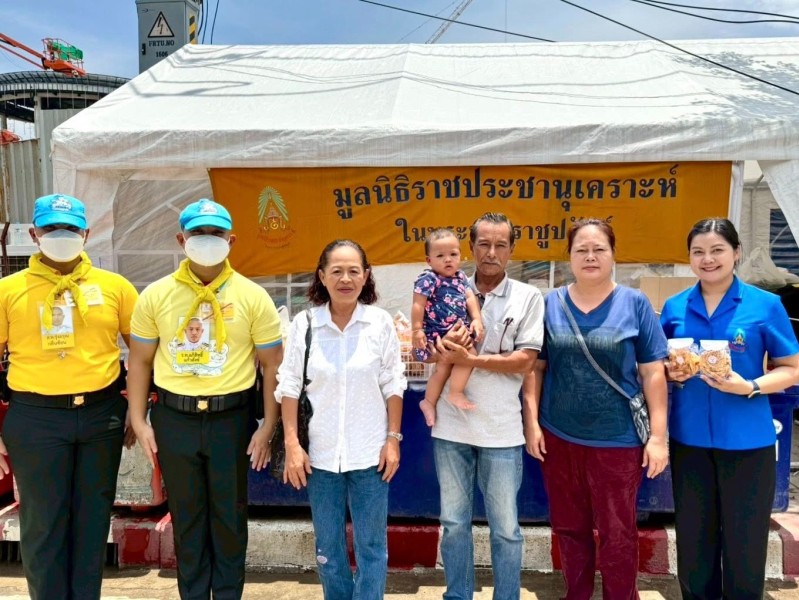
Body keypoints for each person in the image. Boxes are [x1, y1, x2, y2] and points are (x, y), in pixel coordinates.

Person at [127, 199, 283, 600]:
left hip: (231, 419)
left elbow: (272, 366)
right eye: (198, 233)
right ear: (181, 240)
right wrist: (139, 420)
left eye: (216, 233)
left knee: (230, 518)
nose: (207, 240)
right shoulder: (156, 295)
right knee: (187, 518)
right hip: (174, 419)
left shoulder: (253, 296)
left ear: (232, 240)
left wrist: (268, 425)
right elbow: (139, 360)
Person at [0, 193, 138, 599]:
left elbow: (144, 354)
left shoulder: (115, 287)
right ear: (34, 234)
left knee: (92, 522)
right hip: (35, 418)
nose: (61, 235)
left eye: (71, 228)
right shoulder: (8, 290)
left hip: (101, 416)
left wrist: (136, 410)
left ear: (86, 233)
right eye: (51, 228)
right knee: (43, 523)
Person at [525, 218, 669, 600]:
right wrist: (532, 423)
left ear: (613, 254)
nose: (590, 256)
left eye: (599, 249)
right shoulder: (549, 304)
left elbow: (653, 373)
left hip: (617, 442)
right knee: (569, 528)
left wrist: (658, 438)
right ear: (569, 257)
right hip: (559, 437)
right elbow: (536, 368)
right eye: (581, 250)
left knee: (617, 533)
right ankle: (577, 593)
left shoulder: (634, 303)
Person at [661, 218, 799, 600]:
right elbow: (657, 365)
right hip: (689, 442)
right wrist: (671, 372)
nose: (708, 259)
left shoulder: (764, 305)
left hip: (747, 442)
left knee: (745, 548)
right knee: (694, 546)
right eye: (698, 252)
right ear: (689, 257)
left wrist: (750, 385)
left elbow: (792, 368)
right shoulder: (674, 307)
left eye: (717, 250)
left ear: (736, 253)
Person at [279, 239, 406, 600]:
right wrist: (292, 444)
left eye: (353, 271)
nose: (345, 279)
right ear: (322, 276)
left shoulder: (379, 323)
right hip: (320, 457)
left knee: (372, 547)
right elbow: (289, 385)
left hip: (370, 455)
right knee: (328, 548)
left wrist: (393, 439)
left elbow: (393, 382)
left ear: (366, 276)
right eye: (336, 271)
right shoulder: (305, 324)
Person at [430, 212, 544, 600]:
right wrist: (437, 348)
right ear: (471, 248)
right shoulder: (445, 290)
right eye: (483, 244)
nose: (491, 252)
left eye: (500, 245)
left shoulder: (528, 297)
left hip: (501, 431)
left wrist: (470, 359)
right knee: (453, 523)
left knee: (506, 528)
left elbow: (526, 361)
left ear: (511, 250)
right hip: (450, 428)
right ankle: (458, 595)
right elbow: (428, 348)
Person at [412, 228, 484, 426]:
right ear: (429, 260)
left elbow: (470, 299)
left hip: (459, 334)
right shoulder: (428, 279)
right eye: (440, 256)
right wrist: (417, 330)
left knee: (469, 356)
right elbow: (418, 305)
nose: (448, 259)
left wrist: (476, 319)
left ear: (460, 255)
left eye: (453, 254)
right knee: (442, 368)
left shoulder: (461, 278)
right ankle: (429, 401)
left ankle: (455, 392)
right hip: (437, 335)